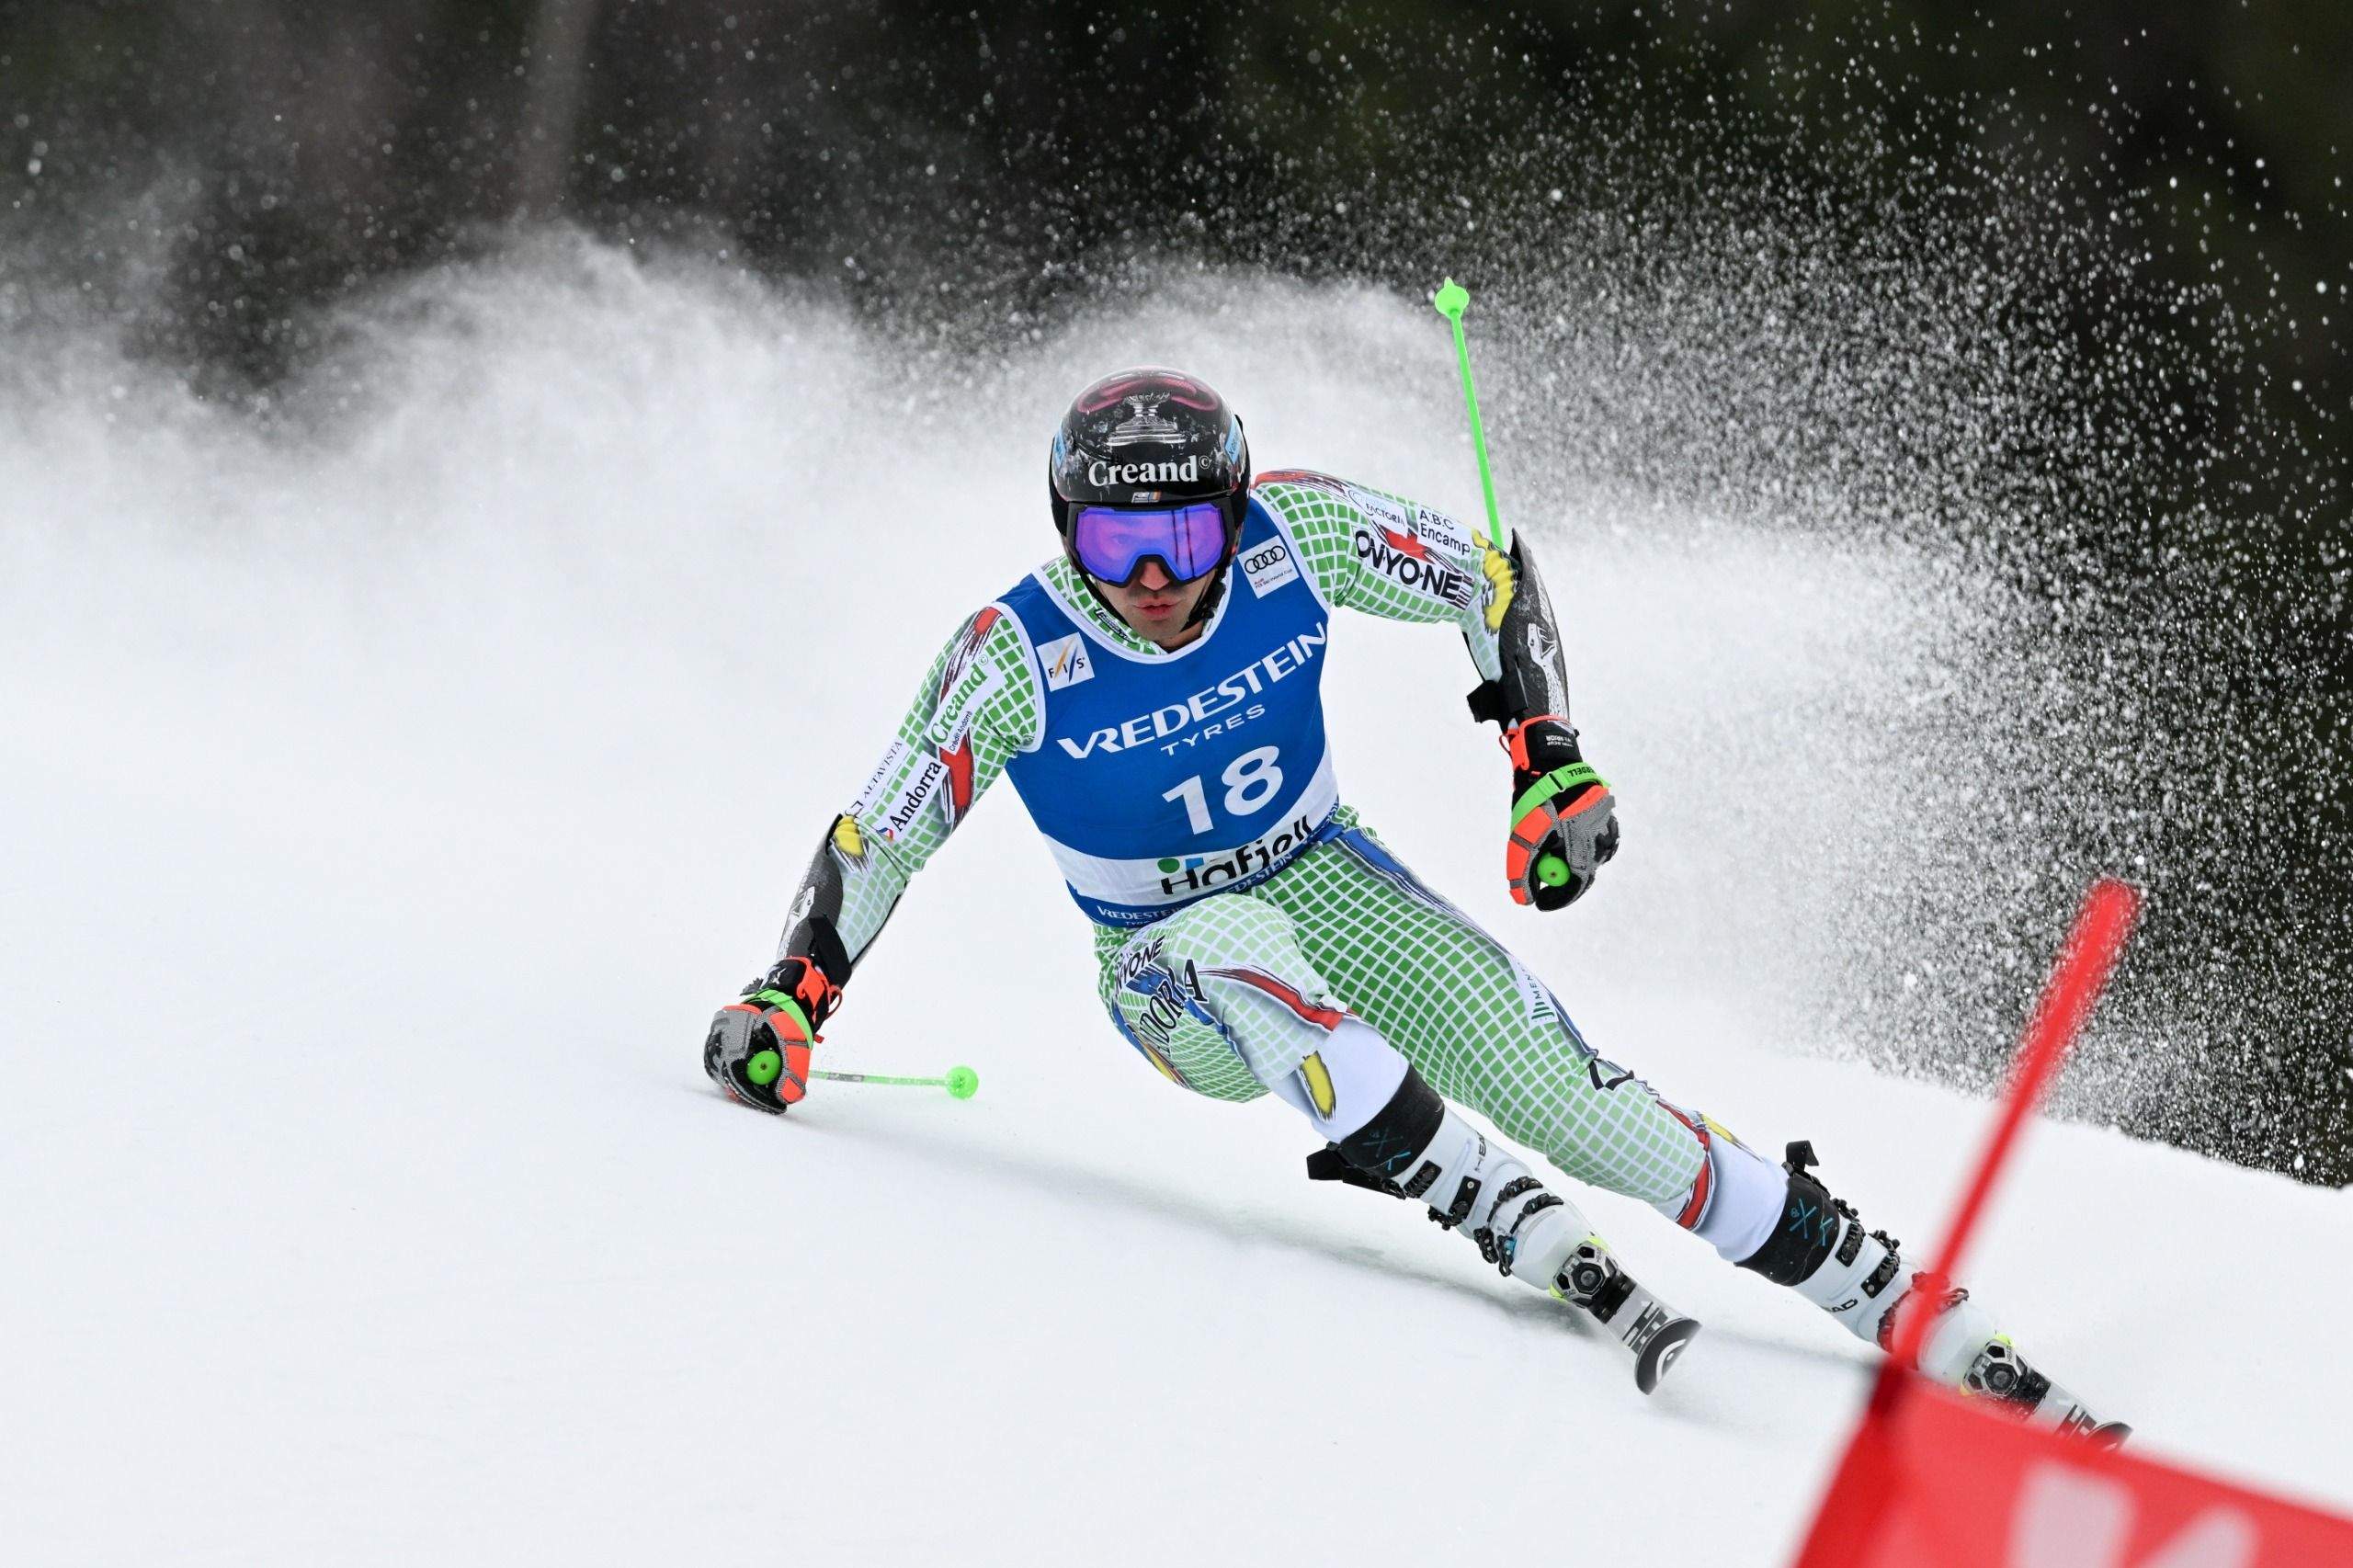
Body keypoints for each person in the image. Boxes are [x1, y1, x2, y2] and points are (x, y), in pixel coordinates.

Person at [704, 366, 2120, 1427]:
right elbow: (878, 833)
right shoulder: (1013, 657)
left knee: (1570, 1091)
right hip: (1162, 960)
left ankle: (1872, 1279)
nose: (1151, 582)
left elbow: (1489, 578)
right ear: (1064, 531)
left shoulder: (1294, 537)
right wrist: (794, 992)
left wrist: (1545, 758)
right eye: (1117, 549)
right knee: (1251, 958)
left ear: (1235, 516)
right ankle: (1495, 1205)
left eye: (1186, 545)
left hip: (1331, 871)